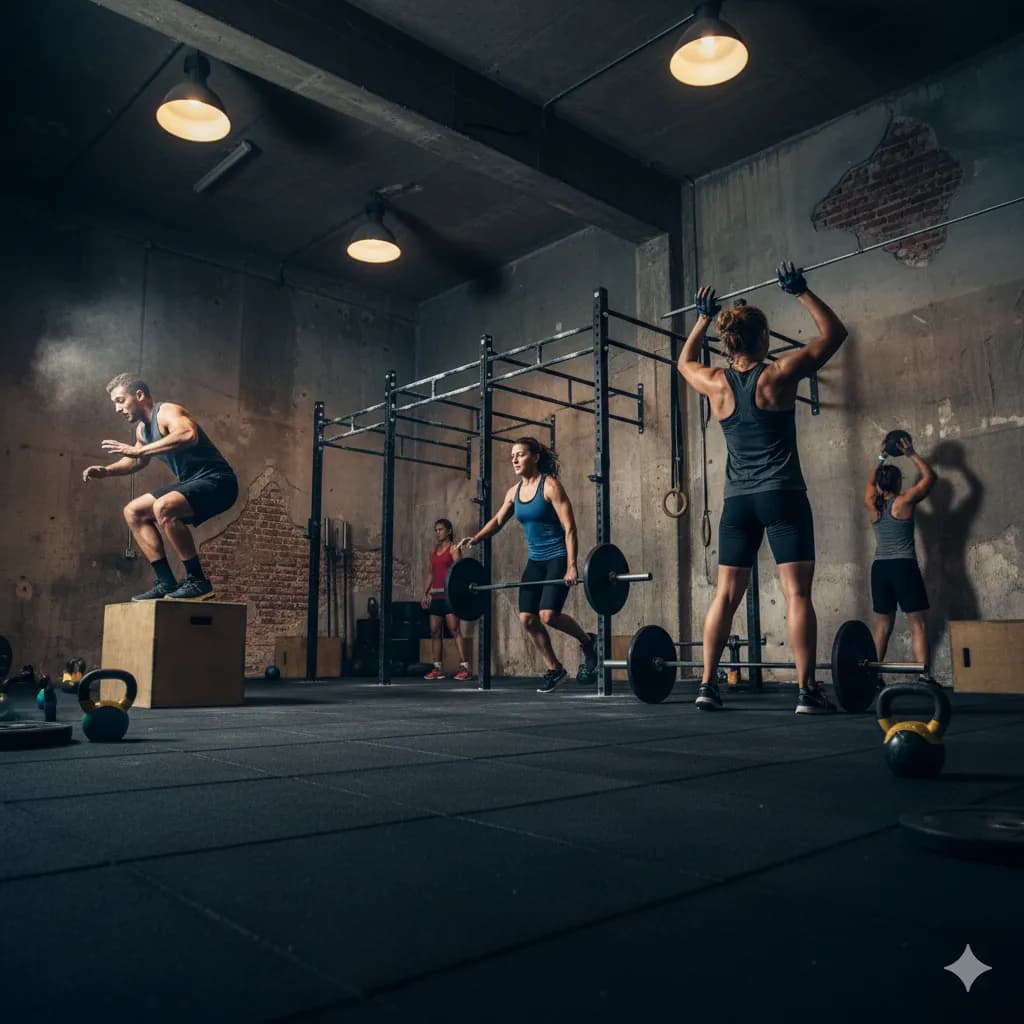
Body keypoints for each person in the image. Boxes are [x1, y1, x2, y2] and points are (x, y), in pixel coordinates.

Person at [676, 263, 848, 713]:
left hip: (738, 501)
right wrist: (801, 292)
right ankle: (806, 691)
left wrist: (700, 319)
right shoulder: (777, 374)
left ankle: (707, 685)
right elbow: (834, 335)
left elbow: (683, 363)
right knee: (797, 594)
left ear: (729, 342)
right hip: (782, 495)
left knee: (725, 595)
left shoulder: (715, 383)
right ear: (762, 339)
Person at [457, 438, 597, 692]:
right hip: (535, 561)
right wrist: (476, 537)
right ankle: (555, 668)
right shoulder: (514, 492)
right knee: (528, 620)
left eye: (520, 454)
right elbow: (498, 521)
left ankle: (588, 642)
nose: (514, 460)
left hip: (557, 557)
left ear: (535, 457)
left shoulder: (550, 486)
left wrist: (572, 565)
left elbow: (569, 527)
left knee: (548, 615)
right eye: (512, 456)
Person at [82, 374, 239, 601]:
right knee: (133, 511)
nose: (117, 409)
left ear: (139, 395)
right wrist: (107, 471)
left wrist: (139, 450)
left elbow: (188, 434)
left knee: (164, 507)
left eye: (120, 400)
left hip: (219, 482)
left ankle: (198, 582)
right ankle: (166, 582)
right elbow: (137, 461)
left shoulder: (167, 411)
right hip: (192, 482)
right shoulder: (142, 431)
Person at [864, 434, 937, 684]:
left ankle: (872, 677)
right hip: (903, 566)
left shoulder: (871, 505)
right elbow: (930, 478)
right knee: (918, 624)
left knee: (883, 626)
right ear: (898, 483)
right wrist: (911, 453)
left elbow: (870, 482)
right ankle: (923, 677)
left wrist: (881, 456)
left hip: (880, 569)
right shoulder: (904, 501)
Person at [420, 518, 474, 681]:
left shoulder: (453, 549)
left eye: (441, 529)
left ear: (449, 531)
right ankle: (438, 668)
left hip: (449, 597)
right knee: (435, 632)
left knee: (454, 630)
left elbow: (460, 571)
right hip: (436, 596)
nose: (438, 532)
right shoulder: (434, 551)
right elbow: (431, 573)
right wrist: (425, 592)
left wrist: (457, 593)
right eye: (436, 530)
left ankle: (465, 667)